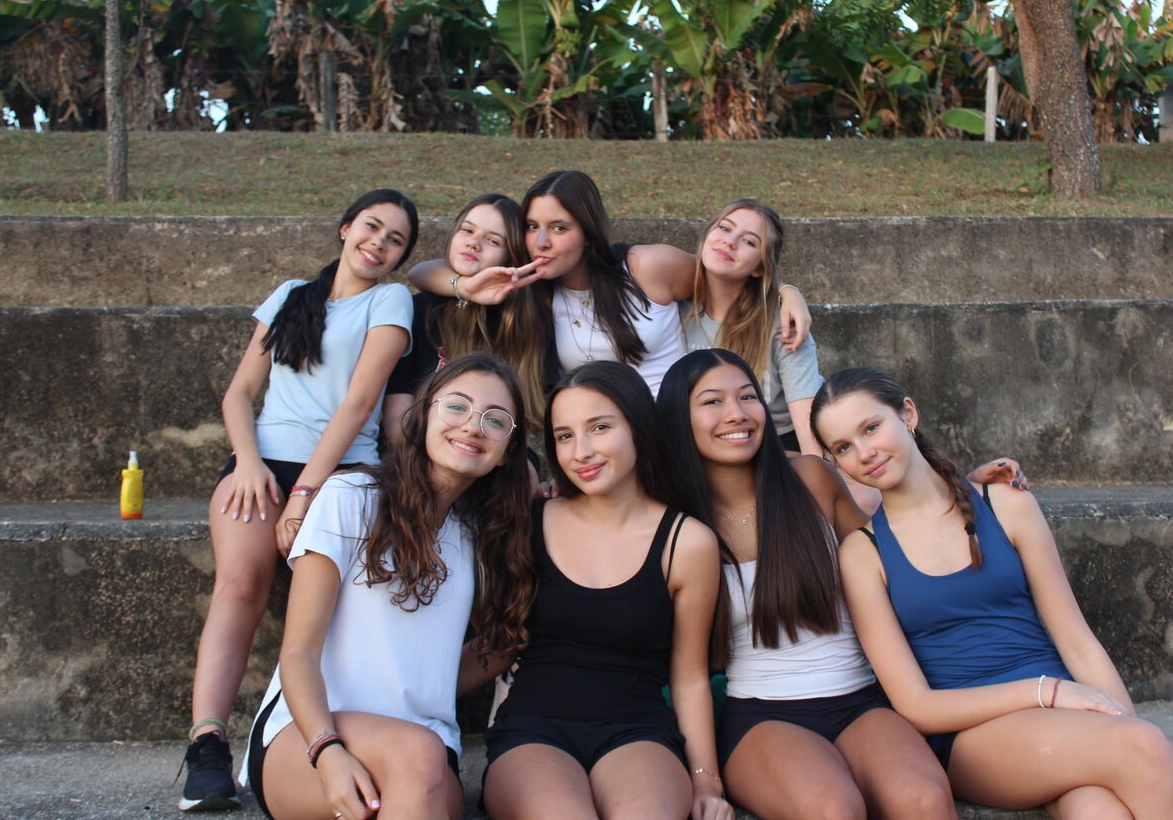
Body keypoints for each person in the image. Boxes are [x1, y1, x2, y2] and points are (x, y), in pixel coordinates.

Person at [811, 367, 1173, 819]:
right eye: (843, 447)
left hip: (1061, 711)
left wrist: (1115, 716)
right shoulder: (863, 554)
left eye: (871, 428)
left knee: (1099, 809)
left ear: (908, 414)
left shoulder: (1005, 503)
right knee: (1145, 746)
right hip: (971, 733)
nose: (865, 452)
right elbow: (916, 706)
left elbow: (1076, 640)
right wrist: (1047, 693)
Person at [180, 189, 418, 812]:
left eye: (395, 240)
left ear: (400, 257)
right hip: (261, 464)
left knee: (331, 608)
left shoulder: (390, 301)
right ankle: (206, 747)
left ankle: (319, 740)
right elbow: (239, 394)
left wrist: (305, 491)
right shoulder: (290, 295)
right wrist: (248, 462)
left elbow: (359, 403)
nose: (379, 243)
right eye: (371, 227)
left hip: (341, 470)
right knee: (239, 585)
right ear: (345, 228)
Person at [656, 349, 957, 819]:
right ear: (679, 419)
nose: (736, 414)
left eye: (748, 396)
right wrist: (705, 781)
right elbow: (690, 673)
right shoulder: (679, 526)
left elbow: (891, 551)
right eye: (712, 401)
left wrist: (960, 495)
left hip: (860, 700)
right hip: (763, 715)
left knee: (924, 800)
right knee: (833, 809)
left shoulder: (812, 478)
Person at [240, 354, 535, 820]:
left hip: (426, 753)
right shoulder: (350, 498)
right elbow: (298, 652)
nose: (472, 426)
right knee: (417, 758)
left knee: (420, 762)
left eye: (495, 420)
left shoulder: (482, 535)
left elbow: (492, 647)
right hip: (308, 736)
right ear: (423, 414)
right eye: (456, 406)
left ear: (507, 450)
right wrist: (328, 751)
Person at [476, 361, 733, 820]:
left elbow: (690, 676)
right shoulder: (531, 521)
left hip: (638, 732)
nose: (582, 452)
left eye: (599, 427)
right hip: (532, 732)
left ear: (637, 426)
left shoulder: (688, 542)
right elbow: (499, 645)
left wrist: (706, 782)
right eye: (565, 435)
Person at [408, 170, 812, 397]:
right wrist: (466, 287)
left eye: (559, 228)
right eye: (531, 227)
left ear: (588, 233)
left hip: (675, 426)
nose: (541, 242)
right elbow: (420, 272)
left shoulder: (645, 267)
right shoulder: (534, 292)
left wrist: (786, 292)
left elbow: (726, 272)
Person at [382, 194, 549, 437]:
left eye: (493, 241)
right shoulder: (418, 311)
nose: (474, 243)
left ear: (511, 256)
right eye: (467, 230)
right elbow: (397, 418)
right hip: (414, 451)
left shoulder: (519, 325)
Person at [681, 201, 824, 457]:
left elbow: (809, 429)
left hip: (774, 449)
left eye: (749, 241)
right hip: (693, 451)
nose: (730, 242)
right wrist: (789, 290)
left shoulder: (783, 322)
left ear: (759, 267)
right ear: (706, 235)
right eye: (724, 228)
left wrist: (816, 473)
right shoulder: (671, 309)